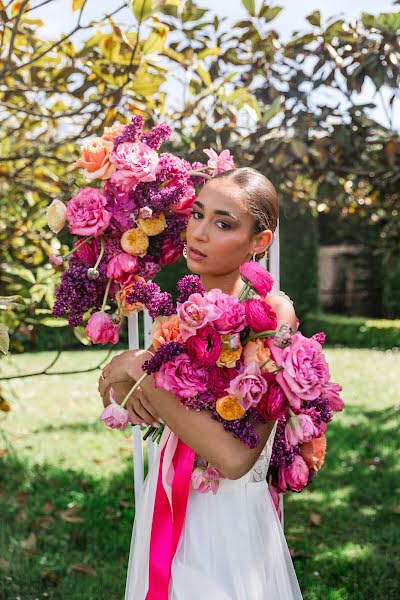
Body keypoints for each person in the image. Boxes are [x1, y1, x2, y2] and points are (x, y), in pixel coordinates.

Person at [99, 167, 303, 599]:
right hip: (168, 502)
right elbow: (140, 403)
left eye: (223, 223)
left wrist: (140, 369)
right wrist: (128, 382)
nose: (200, 233)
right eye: (197, 214)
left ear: (259, 242)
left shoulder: (273, 321)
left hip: (224, 523)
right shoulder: (180, 315)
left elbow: (233, 458)